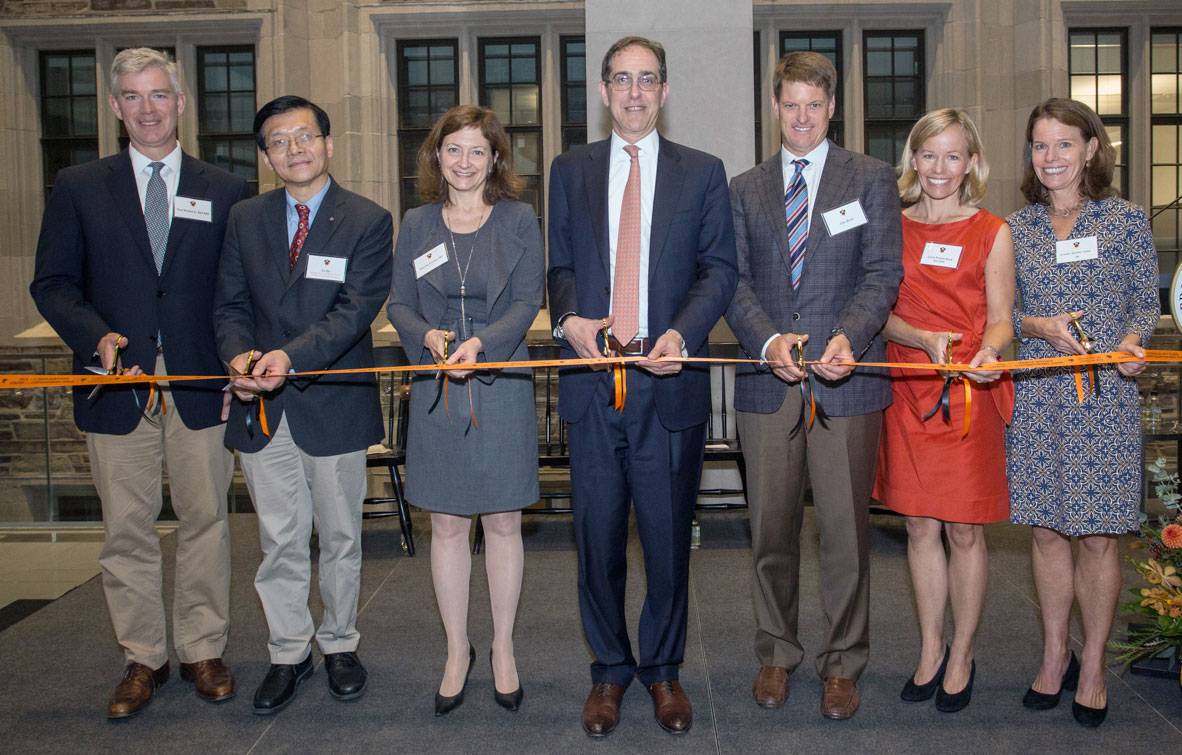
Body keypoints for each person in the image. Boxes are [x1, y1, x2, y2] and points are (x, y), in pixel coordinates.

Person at [29, 47, 247, 719]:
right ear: (116, 106)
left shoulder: (226, 189)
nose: (147, 107)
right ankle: (143, 655)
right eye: (132, 95)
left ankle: (202, 646)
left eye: (158, 94)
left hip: (199, 379)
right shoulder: (79, 185)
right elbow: (53, 282)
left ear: (181, 104)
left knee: (206, 518)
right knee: (126, 526)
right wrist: (93, 331)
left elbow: (236, 290)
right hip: (113, 380)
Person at [547, 36, 737, 738]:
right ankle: (608, 670)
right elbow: (558, 264)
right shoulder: (571, 170)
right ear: (603, 91)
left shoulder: (702, 172)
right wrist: (569, 319)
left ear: (663, 91)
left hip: (667, 386)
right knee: (595, 540)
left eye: (647, 79)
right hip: (592, 386)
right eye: (621, 79)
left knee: (665, 542)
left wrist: (681, 336)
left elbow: (718, 269)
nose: (633, 92)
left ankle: (662, 669)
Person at [724, 51, 902, 720]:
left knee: (844, 534)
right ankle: (776, 652)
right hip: (769, 386)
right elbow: (731, 280)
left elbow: (883, 273)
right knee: (769, 530)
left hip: (845, 383)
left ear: (832, 108)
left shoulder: (873, 178)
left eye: (814, 104)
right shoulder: (744, 188)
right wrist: (769, 342)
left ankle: (843, 663)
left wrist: (847, 340)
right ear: (775, 108)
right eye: (790, 103)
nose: (801, 115)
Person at [213, 95, 393, 715]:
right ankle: (288, 650)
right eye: (279, 141)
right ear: (267, 155)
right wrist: (238, 358)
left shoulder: (367, 219)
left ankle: (341, 643)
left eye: (305, 137)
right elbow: (229, 305)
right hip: (260, 407)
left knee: (341, 535)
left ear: (328, 144)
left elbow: (355, 311)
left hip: (331, 399)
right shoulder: (244, 219)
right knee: (279, 538)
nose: (295, 149)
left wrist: (288, 358)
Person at [387, 105, 543, 716]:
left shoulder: (520, 220)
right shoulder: (419, 222)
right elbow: (400, 302)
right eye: (453, 149)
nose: (465, 162)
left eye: (477, 151)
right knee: (447, 524)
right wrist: (427, 336)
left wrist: (485, 344)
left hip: (499, 379)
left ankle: (503, 647)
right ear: (436, 156)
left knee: (503, 519)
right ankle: (458, 649)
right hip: (436, 385)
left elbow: (530, 297)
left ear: (495, 159)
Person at [1007, 97, 1157, 728]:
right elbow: (1000, 315)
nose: (1051, 158)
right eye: (1041, 146)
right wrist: (1036, 324)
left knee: (1097, 535)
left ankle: (1092, 663)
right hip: (1039, 399)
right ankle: (1053, 652)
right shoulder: (1015, 229)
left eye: (1064, 144)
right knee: (1045, 531)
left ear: (1091, 149)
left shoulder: (1125, 222)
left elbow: (1145, 305)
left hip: (1104, 401)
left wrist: (1131, 345)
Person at [872, 108, 1015, 713]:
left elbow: (1003, 318)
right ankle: (930, 647)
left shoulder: (992, 231)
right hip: (908, 393)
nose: (939, 168)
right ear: (913, 160)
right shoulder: (891, 228)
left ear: (972, 163)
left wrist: (987, 350)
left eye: (953, 155)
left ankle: (963, 653)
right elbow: (878, 312)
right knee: (918, 527)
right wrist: (921, 337)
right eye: (929, 155)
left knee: (964, 529)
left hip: (968, 402)